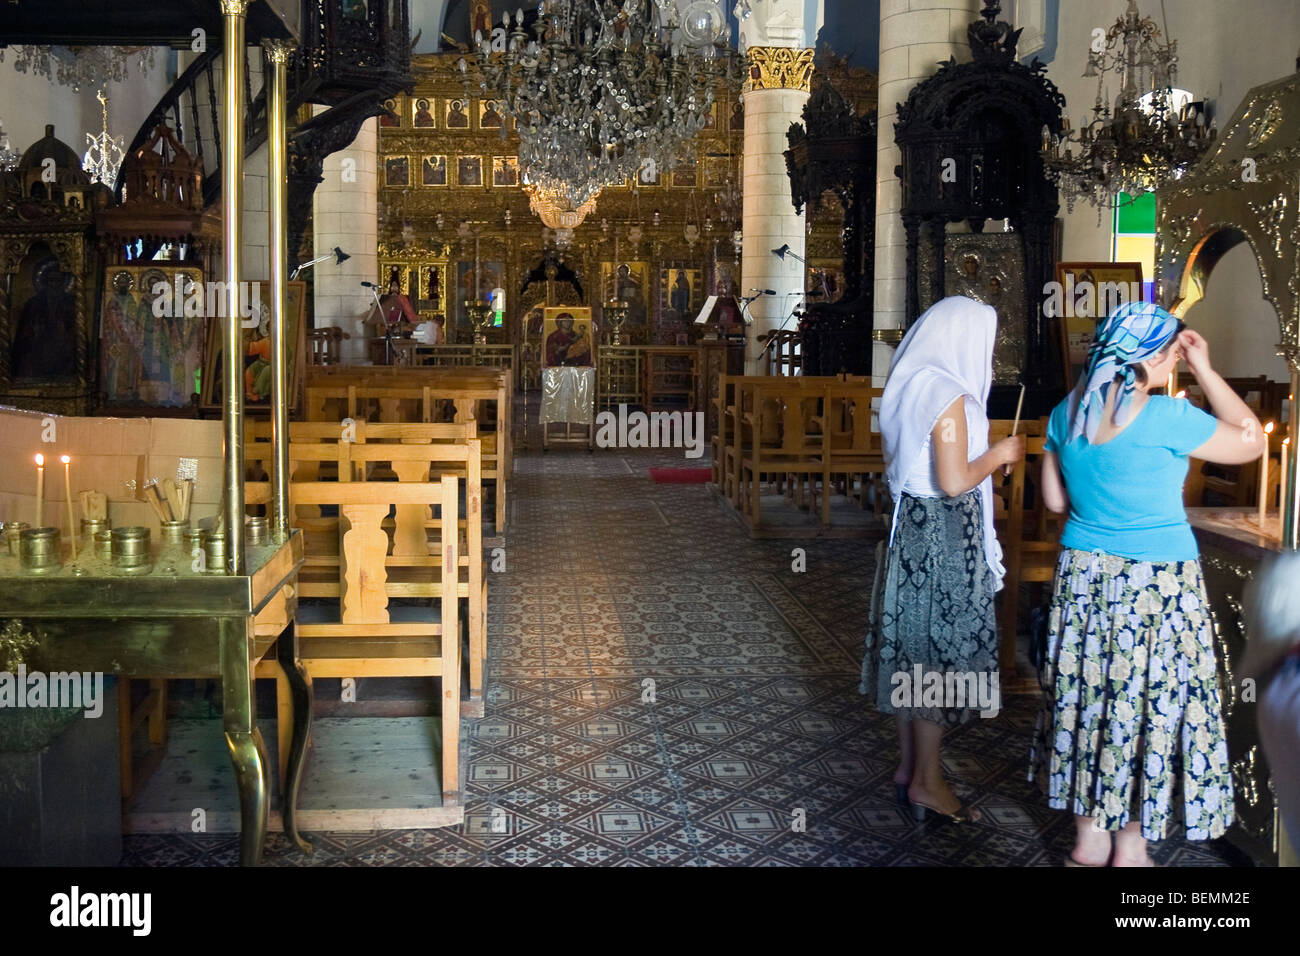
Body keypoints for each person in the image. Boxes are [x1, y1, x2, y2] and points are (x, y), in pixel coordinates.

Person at [1031, 301, 1263, 866]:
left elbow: (1056, 501)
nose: (1174, 366)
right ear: (1153, 356)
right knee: (1148, 709)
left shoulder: (1067, 413)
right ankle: (1131, 848)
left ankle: (1088, 840)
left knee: (1088, 701)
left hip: (1085, 581)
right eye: (1172, 354)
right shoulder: (1165, 417)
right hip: (1156, 587)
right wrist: (1206, 369)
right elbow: (1252, 439)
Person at [862, 295, 1025, 823]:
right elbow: (955, 482)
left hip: (912, 531)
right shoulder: (948, 394)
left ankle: (910, 768)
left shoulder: (912, 383)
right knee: (936, 660)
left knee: (914, 650)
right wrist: (1000, 454)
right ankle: (930, 781)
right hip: (944, 539)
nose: (991, 355)